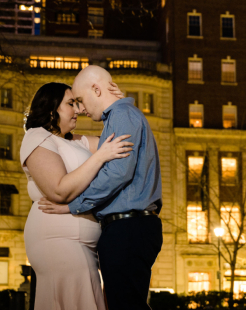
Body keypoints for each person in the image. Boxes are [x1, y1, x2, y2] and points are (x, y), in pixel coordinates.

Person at [39, 65, 163, 310]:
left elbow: (117, 173)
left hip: (127, 228)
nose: (81, 109)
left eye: (81, 101)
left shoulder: (122, 115)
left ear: (96, 89)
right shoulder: (123, 115)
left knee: (125, 305)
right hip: (132, 227)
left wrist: (74, 206)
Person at [20, 82, 133, 310]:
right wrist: (99, 157)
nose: (78, 110)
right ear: (52, 108)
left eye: (78, 103)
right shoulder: (37, 137)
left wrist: (116, 105)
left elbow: (123, 140)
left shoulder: (75, 140)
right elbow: (59, 190)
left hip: (84, 245)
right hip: (57, 240)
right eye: (71, 104)